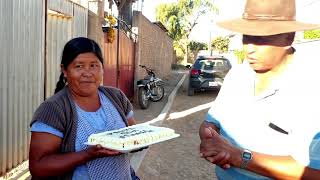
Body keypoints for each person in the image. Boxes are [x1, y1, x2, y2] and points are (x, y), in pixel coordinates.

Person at [199, 0, 320, 179]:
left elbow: (314, 173)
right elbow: (212, 122)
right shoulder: (237, 75)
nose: (249, 49)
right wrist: (209, 137)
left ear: (289, 37)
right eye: (246, 37)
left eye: (261, 39)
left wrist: (239, 157)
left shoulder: (310, 88)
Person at [29, 37, 140, 180]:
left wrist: (140, 141)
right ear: (64, 70)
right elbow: (38, 166)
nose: (87, 73)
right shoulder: (53, 110)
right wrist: (87, 154)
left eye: (94, 65)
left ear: (102, 68)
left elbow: (133, 134)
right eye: (79, 66)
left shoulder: (116, 97)